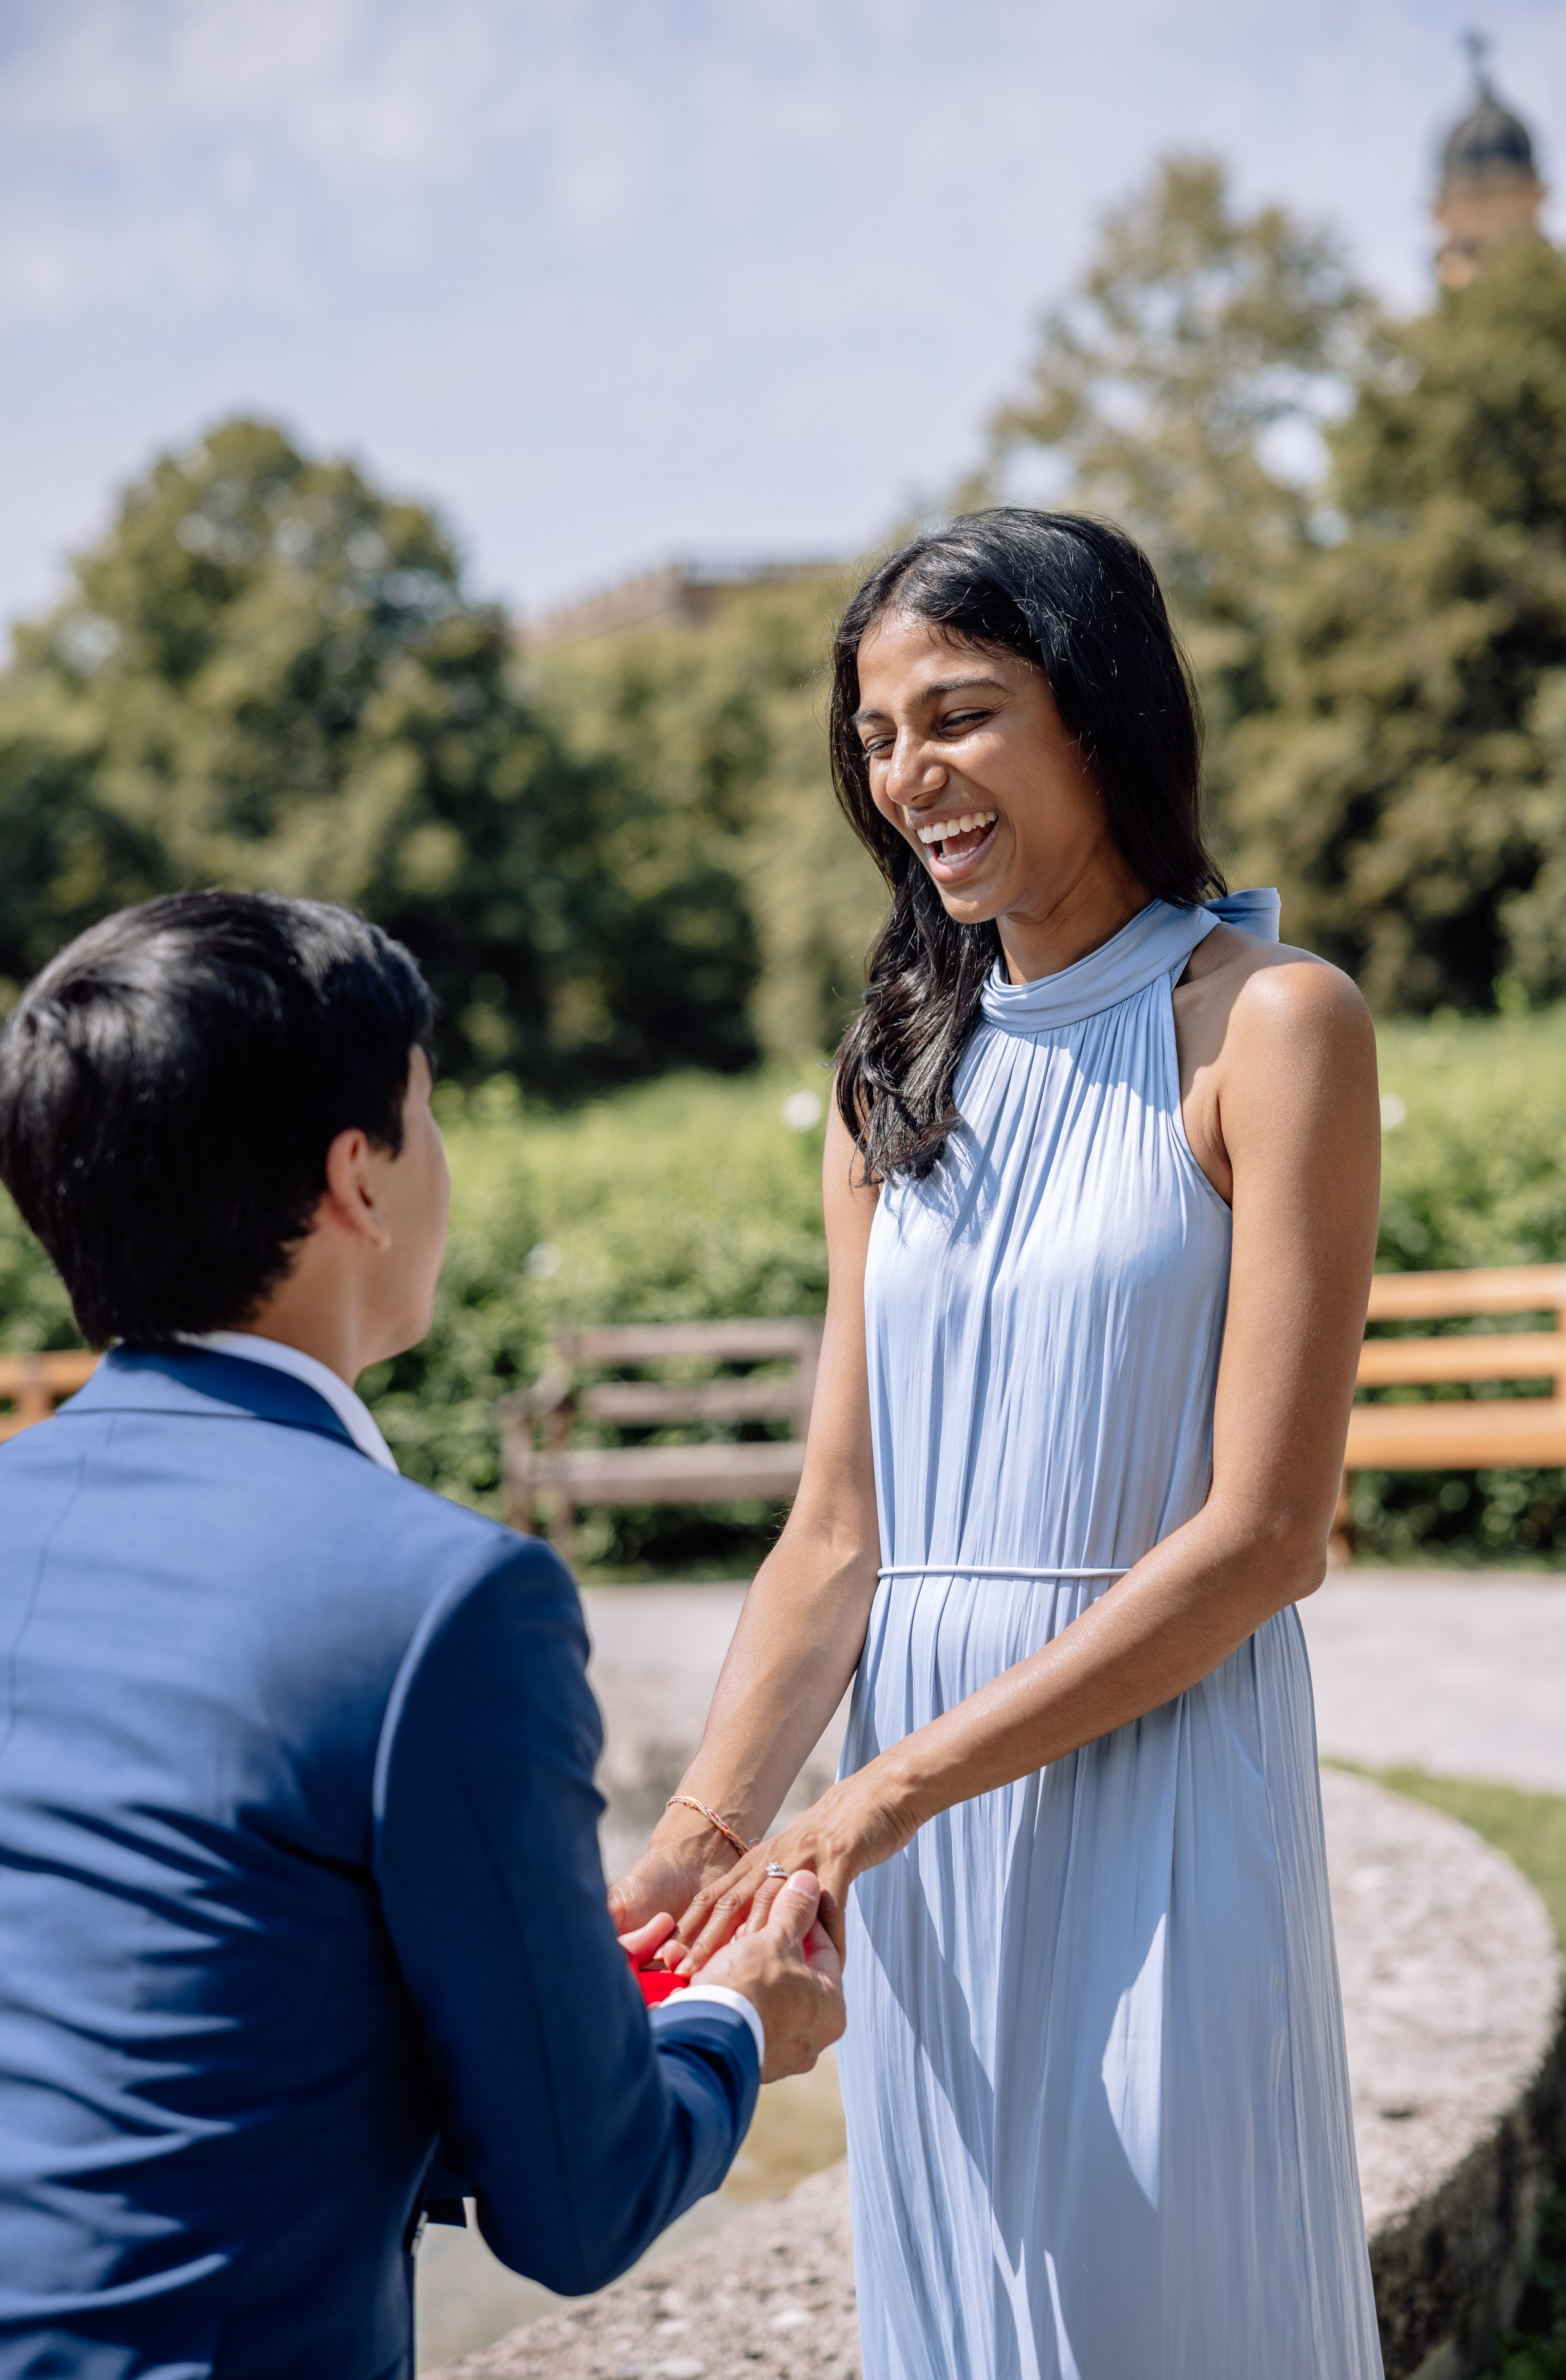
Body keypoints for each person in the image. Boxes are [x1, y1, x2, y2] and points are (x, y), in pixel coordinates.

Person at [611, 511, 1385, 2378]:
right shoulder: (890, 1072)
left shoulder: (1271, 1024)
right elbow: (837, 1530)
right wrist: (699, 1840)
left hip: (1157, 1780)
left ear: (1100, 709)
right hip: (924, 1842)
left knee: (1160, 2297)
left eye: (958, 715)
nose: (909, 777)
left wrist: (879, 1794)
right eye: (878, 737)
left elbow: (1268, 1534)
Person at [0, 890, 843, 2380]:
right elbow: (579, 2199)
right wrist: (733, 2018)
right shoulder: (446, 1598)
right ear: (357, 1179)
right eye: (427, 1110)